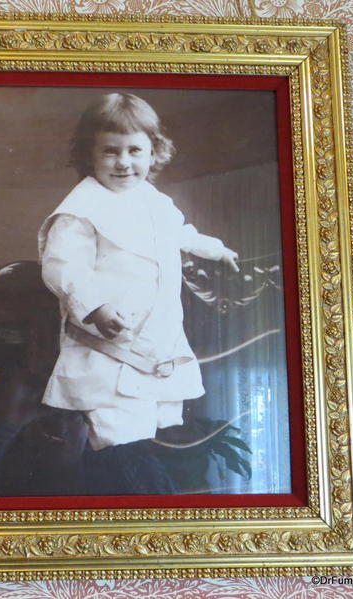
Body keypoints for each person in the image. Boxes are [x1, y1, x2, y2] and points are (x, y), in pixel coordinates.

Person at [37, 93, 239, 494]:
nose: (124, 162)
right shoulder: (81, 209)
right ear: (89, 155)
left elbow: (181, 233)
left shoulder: (154, 201)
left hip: (155, 339)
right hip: (107, 342)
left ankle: (139, 499)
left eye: (134, 150)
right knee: (117, 433)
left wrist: (215, 248)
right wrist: (95, 307)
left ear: (154, 152)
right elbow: (63, 265)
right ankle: (136, 502)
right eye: (110, 152)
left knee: (146, 426)